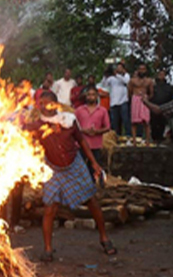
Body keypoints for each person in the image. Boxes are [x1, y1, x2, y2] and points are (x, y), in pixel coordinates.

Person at [25, 91, 116, 261]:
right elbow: (20, 135)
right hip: (52, 170)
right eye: (41, 103)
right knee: (50, 207)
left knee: (91, 200)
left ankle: (104, 238)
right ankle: (48, 250)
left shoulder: (69, 121)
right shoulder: (37, 125)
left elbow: (82, 141)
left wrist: (94, 163)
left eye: (49, 103)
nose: (45, 106)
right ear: (38, 106)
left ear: (56, 104)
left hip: (75, 166)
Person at [75, 87, 111, 176]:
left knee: (93, 169)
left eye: (93, 95)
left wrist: (97, 132)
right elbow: (73, 126)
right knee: (80, 168)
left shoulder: (103, 110)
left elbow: (107, 127)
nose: (91, 97)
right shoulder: (79, 110)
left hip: (96, 145)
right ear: (85, 96)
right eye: (89, 95)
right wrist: (83, 130)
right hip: (81, 144)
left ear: (97, 96)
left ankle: (92, 186)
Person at [128, 63, 155, 146]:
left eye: (143, 69)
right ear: (138, 70)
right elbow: (129, 91)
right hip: (135, 99)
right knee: (134, 122)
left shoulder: (149, 81)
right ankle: (134, 142)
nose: (142, 71)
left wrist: (146, 99)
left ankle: (147, 141)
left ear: (146, 71)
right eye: (140, 69)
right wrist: (134, 98)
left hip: (145, 100)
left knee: (146, 122)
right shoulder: (132, 80)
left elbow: (151, 93)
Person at [104, 62, 132, 139]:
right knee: (115, 122)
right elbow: (105, 84)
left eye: (120, 67)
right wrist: (106, 74)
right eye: (117, 67)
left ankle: (128, 137)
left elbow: (127, 82)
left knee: (126, 120)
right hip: (114, 103)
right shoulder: (112, 78)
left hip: (123, 101)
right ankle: (116, 137)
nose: (118, 69)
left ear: (123, 69)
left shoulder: (126, 75)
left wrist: (117, 75)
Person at [150, 70, 173, 142]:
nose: (161, 76)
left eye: (163, 74)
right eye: (160, 74)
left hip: (166, 110)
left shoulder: (169, 87)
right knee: (154, 126)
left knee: (163, 126)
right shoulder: (153, 86)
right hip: (154, 108)